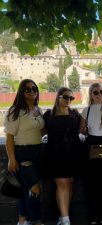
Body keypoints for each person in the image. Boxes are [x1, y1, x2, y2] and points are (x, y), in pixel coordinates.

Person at [4, 79, 44, 225]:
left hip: (38, 152)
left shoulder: (37, 109)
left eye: (34, 88)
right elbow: (9, 137)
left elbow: (39, 129)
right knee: (35, 189)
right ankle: (37, 221)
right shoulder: (14, 111)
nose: (32, 91)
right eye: (28, 89)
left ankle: (22, 220)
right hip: (22, 153)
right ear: (21, 91)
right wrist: (11, 159)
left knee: (26, 189)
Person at [43, 87, 82, 225]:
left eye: (71, 98)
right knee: (62, 182)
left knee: (70, 183)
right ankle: (66, 220)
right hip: (55, 153)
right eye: (66, 97)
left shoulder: (75, 113)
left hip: (73, 152)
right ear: (58, 97)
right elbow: (41, 131)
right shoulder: (48, 114)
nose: (69, 100)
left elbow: (83, 129)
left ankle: (62, 216)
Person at [81, 83, 102, 225]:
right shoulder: (86, 110)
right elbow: (81, 130)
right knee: (91, 184)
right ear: (91, 94)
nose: (99, 94)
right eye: (96, 92)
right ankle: (94, 216)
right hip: (94, 144)